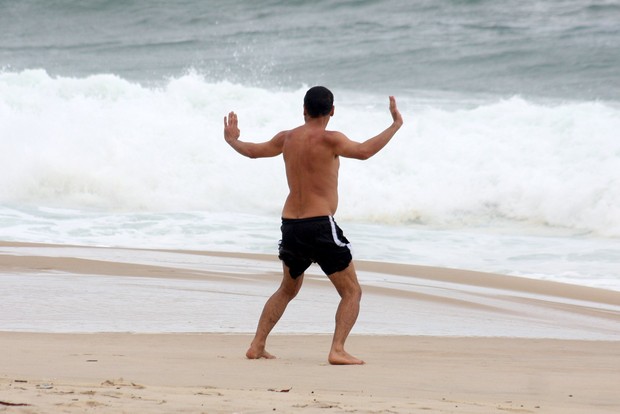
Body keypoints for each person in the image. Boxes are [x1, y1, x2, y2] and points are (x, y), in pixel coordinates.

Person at [223, 86, 403, 365]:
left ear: (303, 109)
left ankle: (257, 345)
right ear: (332, 111)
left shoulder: (287, 138)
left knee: (287, 289)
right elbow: (365, 152)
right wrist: (395, 125)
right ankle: (338, 350)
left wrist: (232, 140)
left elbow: (252, 152)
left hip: (291, 225)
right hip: (319, 225)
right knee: (352, 291)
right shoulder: (331, 140)